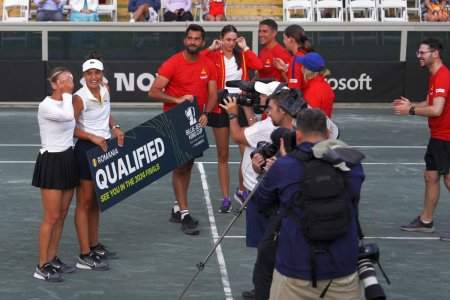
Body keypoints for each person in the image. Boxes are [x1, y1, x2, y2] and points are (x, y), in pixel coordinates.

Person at [253, 108, 365, 300]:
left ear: (297, 135)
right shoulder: (352, 163)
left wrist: (270, 170)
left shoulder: (284, 166)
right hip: (342, 268)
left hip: (294, 269)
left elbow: (262, 201)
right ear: (328, 134)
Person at [220, 84, 298, 300]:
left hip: (262, 192)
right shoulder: (280, 123)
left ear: (281, 108)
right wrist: (247, 109)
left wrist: (233, 113)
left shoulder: (270, 127)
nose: (259, 98)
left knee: (265, 246)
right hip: (267, 191)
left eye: (264, 97)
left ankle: (266, 287)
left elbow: (237, 136)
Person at [148, 24, 218, 235]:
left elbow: (213, 93)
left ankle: (178, 208)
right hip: (175, 122)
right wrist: (177, 99)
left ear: (203, 42)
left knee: (187, 166)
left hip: (196, 123)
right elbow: (153, 91)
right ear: (185, 40)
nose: (193, 42)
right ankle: (185, 215)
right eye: (190, 38)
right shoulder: (173, 63)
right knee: (179, 168)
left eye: (197, 39)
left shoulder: (208, 63)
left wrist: (207, 113)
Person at [201, 24, 263, 213]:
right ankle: (226, 198)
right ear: (221, 39)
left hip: (241, 105)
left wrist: (245, 47)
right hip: (221, 105)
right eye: (228, 39)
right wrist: (210, 48)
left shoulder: (241, 55)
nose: (231, 43)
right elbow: (198, 60)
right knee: (223, 154)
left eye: (234, 40)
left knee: (246, 153)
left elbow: (258, 65)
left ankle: (242, 190)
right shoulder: (213, 55)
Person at [73, 52, 125, 270]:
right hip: (86, 150)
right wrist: (92, 136)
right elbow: (71, 128)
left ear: (102, 73)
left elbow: (107, 113)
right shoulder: (79, 97)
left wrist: (115, 127)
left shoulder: (105, 89)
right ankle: (84, 255)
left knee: (96, 201)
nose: (93, 76)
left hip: (104, 149)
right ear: (83, 75)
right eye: (89, 73)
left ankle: (94, 246)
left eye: (97, 72)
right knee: (84, 203)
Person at [393, 38, 450, 237]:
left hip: (446, 137)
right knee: (431, 176)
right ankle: (426, 221)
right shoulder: (434, 76)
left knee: (449, 180)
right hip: (437, 136)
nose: (419, 56)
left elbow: (436, 109)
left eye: (422, 52)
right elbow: (428, 102)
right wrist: (411, 105)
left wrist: (410, 111)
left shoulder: (443, 76)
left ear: (435, 54)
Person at [32, 67, 78, 282]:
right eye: (64, 80)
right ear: (54, 84)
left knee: (62, 214)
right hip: (52, 160)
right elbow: (68, 116)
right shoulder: (46, 105)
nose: (69, 83)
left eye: (71, 79)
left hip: (68, 158)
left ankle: (52, 258)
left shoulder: (68, 100)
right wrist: (69, 94)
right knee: (51, 217)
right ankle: (41, 266)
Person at [272, 24, 314, 90]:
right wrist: (286, 69)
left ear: (291, 39)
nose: (283, 41)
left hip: (308, 98)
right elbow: (301, 78)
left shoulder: (296, 59)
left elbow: (294, 90)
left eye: (284, 38)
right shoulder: (307, 54)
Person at [296, 52, 335, 118]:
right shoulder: (324, 85)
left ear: (308, 70)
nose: (301, 68)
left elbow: (307, 120)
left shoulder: (313, 91)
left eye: (303, 65)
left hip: (313, 127)